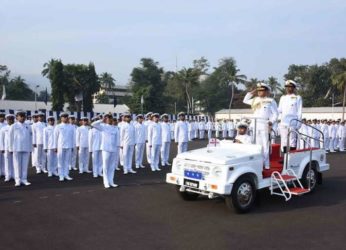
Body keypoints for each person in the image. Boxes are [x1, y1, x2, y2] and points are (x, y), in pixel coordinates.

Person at [243, 82, 278, 170]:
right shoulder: (254, 100)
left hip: (264, 124)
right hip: (255, 124)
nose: (259, 92)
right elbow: (245, 100)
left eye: (262, 90)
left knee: (265, 145)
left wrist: (271, 122)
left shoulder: (271, 101)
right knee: (257, 145)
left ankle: (266, 164)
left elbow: (275, 114)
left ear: (266, 91)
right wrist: (252, 92)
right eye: (258, 90)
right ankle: (258, 163)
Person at [91, 114, 120, 188]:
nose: (109, 119)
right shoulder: (103, 126)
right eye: (107, 118)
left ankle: (111, 181)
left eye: (110, 118)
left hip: (113, 149)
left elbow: (117, 139)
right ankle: (106, 182)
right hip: (105, 149)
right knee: (105, 166)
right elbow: (93, 124)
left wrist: (117, 148)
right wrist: (101, 120)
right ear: (105, 119)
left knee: (112, 166)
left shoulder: (115, 128)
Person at [278, 80, 302, 152]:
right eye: (287, 87)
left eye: (290, 87)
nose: (288, 89)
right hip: (284, 122)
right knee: (284, 141)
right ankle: (285, 158)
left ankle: (292, 158)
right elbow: (279, 110)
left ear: (294, 88)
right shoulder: (283, 97)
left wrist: (298, 123)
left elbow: (299, 111)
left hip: (293, 122)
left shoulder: (297, 98)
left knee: (292, 141)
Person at [9, 110, 32, 186]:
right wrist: (10, 148)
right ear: (17, 117)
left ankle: (24, 179)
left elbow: (30, 137)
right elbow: (10, 138)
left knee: (25, 165)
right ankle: (17, 180)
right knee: (17, 164)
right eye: (20, 116)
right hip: (16, 147)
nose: (22, 117)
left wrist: (30, 147)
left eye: (23, 116)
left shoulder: (28, 126)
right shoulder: (13, 126)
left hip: (26, 147)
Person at [54, 112, 75, 181]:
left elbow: (72, 137)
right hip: (60, 146)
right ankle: (61, 175)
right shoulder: (58, 126)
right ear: (61, 118)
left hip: (68, 146)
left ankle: (66, 174)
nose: (65, 118)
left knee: (67, 161)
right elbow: (55, 137)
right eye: (63, 117)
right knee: (60, 161)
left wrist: (72, 146)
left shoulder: (71, 126)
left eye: (66, 117)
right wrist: (55, 147)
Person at [0, 114, 15, 181]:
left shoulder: (15, 127)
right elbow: (1, 139)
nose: (10, 120)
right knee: (7, 162)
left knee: (14, 162)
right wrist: (2, 148)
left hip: (14, 147)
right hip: (6, 147)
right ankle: (8, 176)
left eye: (11, 119)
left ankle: (14, 175)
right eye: (9, 119)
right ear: (7, 120)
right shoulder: (3, 128)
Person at [0, 112, 6, 177]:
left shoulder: (6, 125)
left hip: (4, 143)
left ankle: (4, 171)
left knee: (4, 159)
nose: (1, 118)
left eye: (2, 117)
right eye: (0, 117)